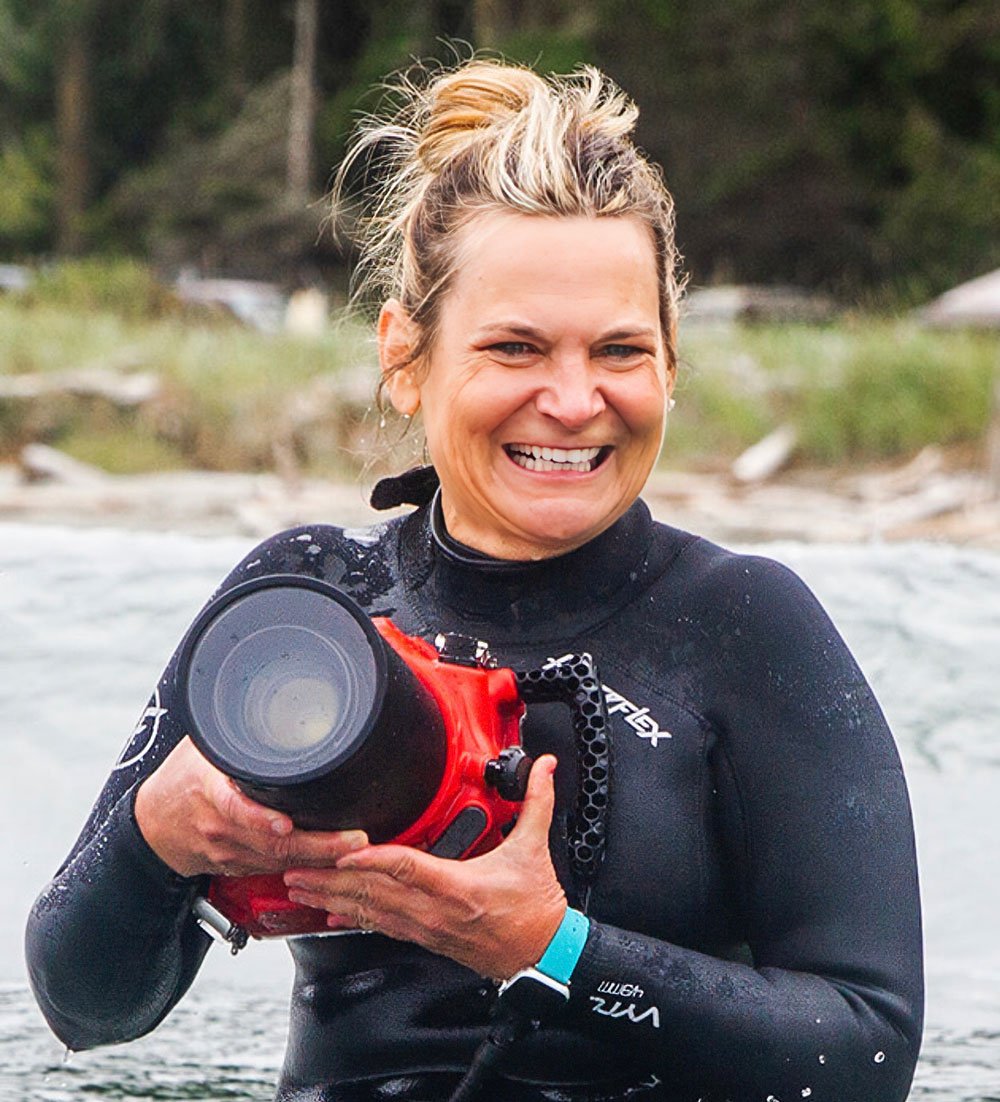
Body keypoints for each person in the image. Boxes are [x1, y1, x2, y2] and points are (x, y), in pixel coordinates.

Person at [26, 59, 923, 1102]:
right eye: (515, 347)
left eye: (620, 350)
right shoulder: (306, 606)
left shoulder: (739, 626)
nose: (574, 398)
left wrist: (550, 947)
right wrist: (155, 837)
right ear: (405, 357)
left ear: (670, 366)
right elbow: (83, 1008)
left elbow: (865, 1054)